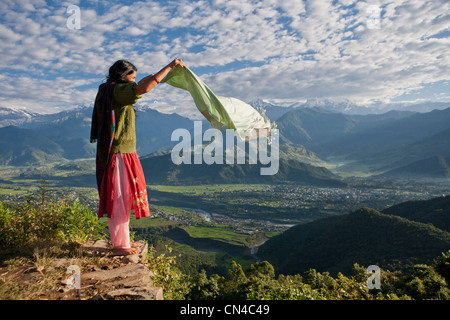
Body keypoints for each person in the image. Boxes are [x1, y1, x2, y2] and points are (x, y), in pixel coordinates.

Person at [90, 58, 187, 255]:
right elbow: (144, 88)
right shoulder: (118, 91)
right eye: (131, 78)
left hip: (123, 152)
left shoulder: (110, 90)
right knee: (119, 199)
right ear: (122, 77)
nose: (134, 82)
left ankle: (122, 241)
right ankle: (120, 245)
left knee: (122, 198)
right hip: (119, 154)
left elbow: (141, 84)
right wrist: (169, 67)